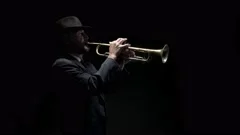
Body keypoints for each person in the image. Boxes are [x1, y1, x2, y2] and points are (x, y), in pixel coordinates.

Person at [45, 16, 135, 135]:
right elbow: (93, 85)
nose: (87, 37)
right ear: (67, 39)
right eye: (81, 34)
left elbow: (107, 87)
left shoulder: (87, 65)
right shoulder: (62, 64)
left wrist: (121, 63)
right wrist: (112, 56)